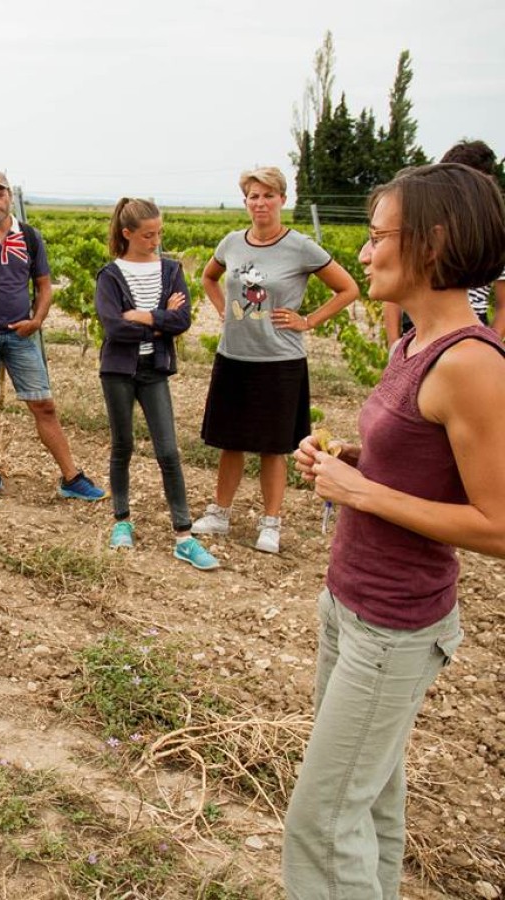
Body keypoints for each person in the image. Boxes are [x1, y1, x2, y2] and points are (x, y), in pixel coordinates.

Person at [284, 163, 505, 898]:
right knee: (367, 807)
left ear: (433, 242)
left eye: (378, 236)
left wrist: (365, 492)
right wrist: (350, 457)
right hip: (350, 606)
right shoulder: (412, 343)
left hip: (393, 631)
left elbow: (499, 525)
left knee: (319, 828)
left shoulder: (471, 364)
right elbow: (418, 462)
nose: (366, 253)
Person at [192, 166, 358, 553]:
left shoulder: (300, 247)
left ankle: (271, 523)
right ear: (245, 201)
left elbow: (348, 288)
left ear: (283, 199)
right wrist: (223, 312)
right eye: (253, 196)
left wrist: (308, 320)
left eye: (268, 195)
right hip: (234, 356)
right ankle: (220, 513)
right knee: (230, 441)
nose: (260, 203)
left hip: (280, 361)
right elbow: (209, 278)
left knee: (273, 446)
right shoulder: (232, 242)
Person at [0, 170, 105, 502]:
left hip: (21, 336)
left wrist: (37, 320)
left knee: (43, 405)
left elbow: (44, 286)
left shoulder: (29, 236)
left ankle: (71, 477)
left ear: (9, 197)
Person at [95, 198, 218, 570]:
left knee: (168, 451)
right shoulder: (110, 274)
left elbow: (183, 321)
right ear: (127, 233)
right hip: (118, 370)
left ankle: (184, 534)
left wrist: (145, 314)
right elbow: (113, 326)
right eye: (148, 235)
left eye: (159, 233)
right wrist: (161, 319)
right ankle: (122, 521)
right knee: (123, 446)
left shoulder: (171, 270)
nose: (156, 240)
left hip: (155, 369)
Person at [384, 140, 505, 343]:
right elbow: (397, 287)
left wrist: (490, 340)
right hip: (417, 324)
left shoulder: (495, 234)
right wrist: (394, 343)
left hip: (471, 327)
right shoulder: (424, 221)